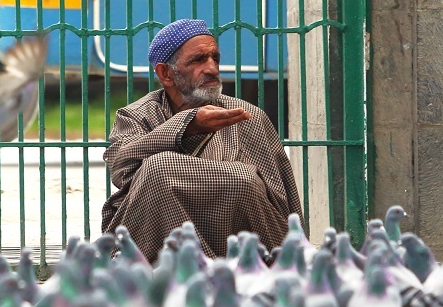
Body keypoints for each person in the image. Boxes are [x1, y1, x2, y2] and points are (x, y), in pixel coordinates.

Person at [101, 19, 303, 262]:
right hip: (161, 248)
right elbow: (121, 167)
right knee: (158, 169)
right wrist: (187, 126)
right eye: (198, 60)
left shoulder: (246, 116)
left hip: (240, 252)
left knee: (245, 180)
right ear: (166, 73)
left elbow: (281, 203)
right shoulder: (137, 116)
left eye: (215, 58)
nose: (212, 69)